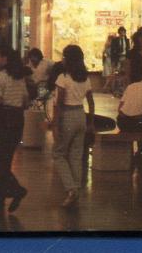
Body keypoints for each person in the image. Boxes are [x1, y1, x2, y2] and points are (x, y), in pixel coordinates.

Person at [49, 44, 95, 208]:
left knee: (58, 153)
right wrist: (91, 122)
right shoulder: (85, 78)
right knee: (76, 155)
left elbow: (59, 103)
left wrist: (55, 124)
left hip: (67, 115)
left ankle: (71, 188)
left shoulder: (63, 78)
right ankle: (76, 189)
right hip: (81, 115)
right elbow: (91, 102)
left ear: (67, 59)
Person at [0, 45, 30, 212]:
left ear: (4, 59)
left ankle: (17, 190)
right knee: (5, 159)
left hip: (3, 119)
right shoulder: (19, 77)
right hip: (18, 119)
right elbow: (26, 100)